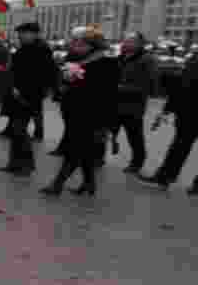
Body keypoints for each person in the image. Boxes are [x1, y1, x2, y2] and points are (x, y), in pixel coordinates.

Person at [40, 26, 119, 196]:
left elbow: (106, 92)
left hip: (92, 114)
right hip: (75, 111)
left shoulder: (106, 63)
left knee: (75, 150)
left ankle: (57, 184)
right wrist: (65, 83)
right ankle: (89, 184)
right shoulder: (79, 59)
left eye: (79, 42)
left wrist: (78, 81)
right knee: (85, 151)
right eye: (74, 41)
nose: (74, 45)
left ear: (91, 45)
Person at [135, 47, 197, 194]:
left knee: (180, 145)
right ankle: (164, 176)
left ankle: (165, 176)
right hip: (188, 111)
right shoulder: (194, 58)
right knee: (180, 145)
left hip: (190, 110)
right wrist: (168, 108)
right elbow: (183, 85)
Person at [0, 21, 55, 176]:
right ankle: (14, 163)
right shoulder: (25, 48)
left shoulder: (41, 50)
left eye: (24, 33)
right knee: (16, 131)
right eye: (20, 33)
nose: (20, 36)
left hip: (27, 97)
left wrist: (23, 90)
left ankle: (26, 166)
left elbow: (44, 76)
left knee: (20, 131)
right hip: (17, 95)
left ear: (34, 34)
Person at [113, 32, 158, 174]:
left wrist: (120, 87)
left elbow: (148, 85)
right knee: (106, 131)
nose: (125, 43)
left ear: (139, 43)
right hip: (115, 103)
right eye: (125, 40)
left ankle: (137, 162)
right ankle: (97, 157)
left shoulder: (147, 60)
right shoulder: (121, 57)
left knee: (134, 136)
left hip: (133, 106)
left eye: (130, 41)